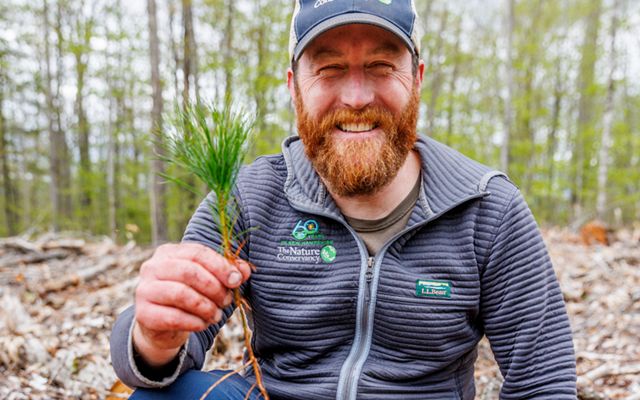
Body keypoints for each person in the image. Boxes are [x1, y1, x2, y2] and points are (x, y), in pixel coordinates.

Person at [110, 1, 577, 399]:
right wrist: (153, 334)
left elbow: (543, 384)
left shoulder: (486, 209)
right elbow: (159, 355)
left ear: (416, 79)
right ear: (294, 85)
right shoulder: (250, 196)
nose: (356, 97)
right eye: (330, 69)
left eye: (381, 66)